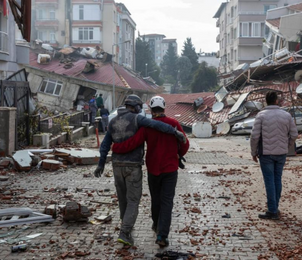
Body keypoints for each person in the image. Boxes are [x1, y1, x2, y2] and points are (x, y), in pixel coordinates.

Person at [93, 94, 186, 246]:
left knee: (123, 199)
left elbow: (105, 144)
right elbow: (157, 125)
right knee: (133, 201)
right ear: (136, 106)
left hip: (117, 165)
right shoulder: (138, 119)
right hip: (134, 167)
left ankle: (127, 227)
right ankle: (126, 232)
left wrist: (101, 163)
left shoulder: (113, 121)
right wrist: (174, 132)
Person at [250, 91, 298, 220]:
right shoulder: (286, 115)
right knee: (277, 179)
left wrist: (253, 152)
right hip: (281, 153)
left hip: (266, 154)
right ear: (277, 101)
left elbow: (254, 136)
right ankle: (275, 208)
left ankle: (272, 211)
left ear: (266, 101)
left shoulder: (261, 116)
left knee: (269, 181)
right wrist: (286, 146)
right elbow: (294, 134)